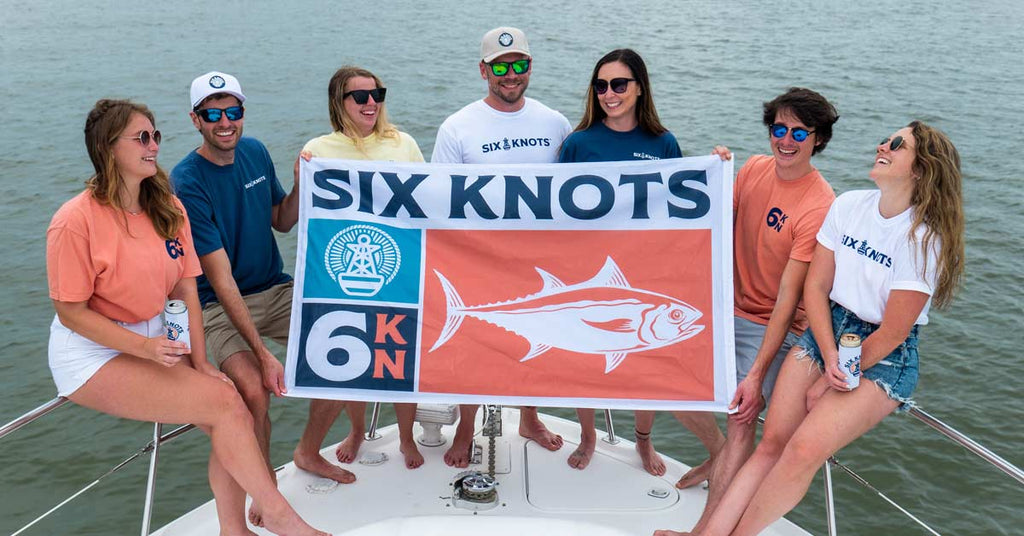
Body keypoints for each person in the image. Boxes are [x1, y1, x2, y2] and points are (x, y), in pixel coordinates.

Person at [46, 99, 328, 536]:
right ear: (107, 148)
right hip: (93, 352)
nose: (154, 145)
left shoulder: (167, 208)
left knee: (229, 400)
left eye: (156, 135)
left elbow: (185, 291)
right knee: (224, 404)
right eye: (142, 137)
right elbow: (70, 312)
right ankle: (280, 517)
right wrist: (143, 347)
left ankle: (235, 529)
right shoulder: (74, 221)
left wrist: (200, 363)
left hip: (157, 339)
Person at [668, 120, 964, 536]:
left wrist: (834, 377)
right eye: (886, 138)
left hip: (881, 353)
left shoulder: (921, 239)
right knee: (771, 444)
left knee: (801, 450)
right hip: (826, 329)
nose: (883, 145)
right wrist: (827, 358)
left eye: (897, 144)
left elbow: (894, 332)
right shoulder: (849, 206)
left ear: (920, 168)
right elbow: (817, 286)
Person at [170, 71, 355, 527]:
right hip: (217, 304)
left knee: (350, 351)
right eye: (213, 114)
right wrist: (263, 353)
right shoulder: (186, 180)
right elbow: (221, 278)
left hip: (274, 288)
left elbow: (283, 220)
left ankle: (308, 452)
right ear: (196, 120)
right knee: (253, 389)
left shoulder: (254, 152)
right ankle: (266, 493)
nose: (225, 122)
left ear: (243, 114)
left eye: (233, 111)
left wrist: (299, 184)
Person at [655, 88, 840, 535]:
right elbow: (710, 219)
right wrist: (712, 171)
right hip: (725, 311)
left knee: (742, 417)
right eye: (779, 128)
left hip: (774, 326)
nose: (787, 140)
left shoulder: (819, 205)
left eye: (800, 132)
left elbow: (788, 301)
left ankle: (702, 532)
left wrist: (756, 375)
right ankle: (720, 453)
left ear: (818, 139)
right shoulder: (755, 169)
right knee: (661, 381)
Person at [557, 48, 730, 476]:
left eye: (619, 84)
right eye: (601, 86)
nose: (609, 94)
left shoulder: (663, 142)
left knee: (642, 356)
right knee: (586, 354)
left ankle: (643, 440)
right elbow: (552, 211)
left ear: (639, 88)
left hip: (643, 268)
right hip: (589, 268)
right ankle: (589, 434)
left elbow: (684, 206)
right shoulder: (577, 143)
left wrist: (718, 169)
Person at [431, 26, 572, 467]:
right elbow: (437, 199)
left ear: (530, 67)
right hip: (479, 259)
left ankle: (529, 417)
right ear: (483, 70)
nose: (510, 75)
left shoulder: (556, 123)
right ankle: (466, 428)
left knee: (538, 339)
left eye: (519, 65)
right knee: (476, 346)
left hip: (540, 260)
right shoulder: (457, 127)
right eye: (500, 67)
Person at [297, 65, 425, 469]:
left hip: (400, 266)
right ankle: (356, 429)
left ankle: (406, 437)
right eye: (361, 96)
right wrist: (303, 175)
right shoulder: (318, 150)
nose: (372, 103)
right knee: (352, 357)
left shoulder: (403, 143)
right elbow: (303, 217)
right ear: (340, 102)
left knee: (400, 356)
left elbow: (431, 200)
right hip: (342, 272)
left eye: (378, 94)